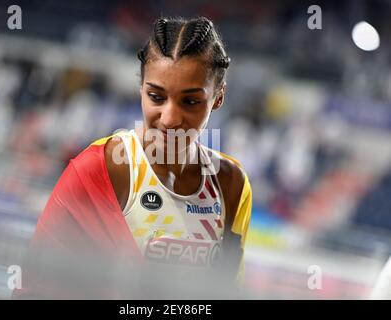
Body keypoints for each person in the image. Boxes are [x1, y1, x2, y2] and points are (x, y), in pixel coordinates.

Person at [13, 16, 252, 299]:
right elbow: (33, 289)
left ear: (218, 98)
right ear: (141, 89)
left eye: (190, 101)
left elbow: (225, 292)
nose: (170, 118)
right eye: (156, 96)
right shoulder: (99, 169)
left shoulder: (231, 184)